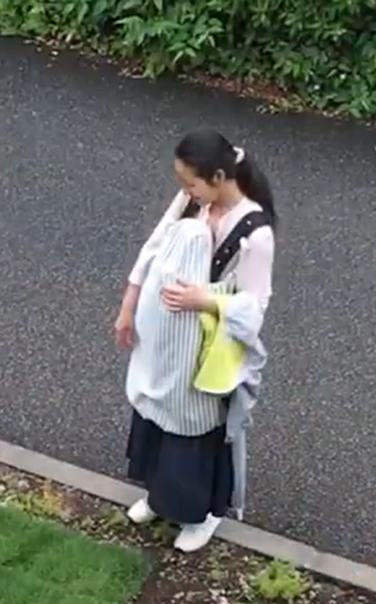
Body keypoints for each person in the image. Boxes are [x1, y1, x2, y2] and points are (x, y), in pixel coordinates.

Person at [115, 130, 277, 554]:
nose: (184, 191)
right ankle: (159, 494)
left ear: (219, 176)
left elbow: (255, 306)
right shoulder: (195, 201)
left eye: (190, 182)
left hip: (207, 351)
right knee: (158, 412)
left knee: (195, 426)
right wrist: (129, 305)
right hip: (166, 343)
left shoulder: (254, 234)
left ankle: (202, 513)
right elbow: (154, 246)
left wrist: (203, 298)